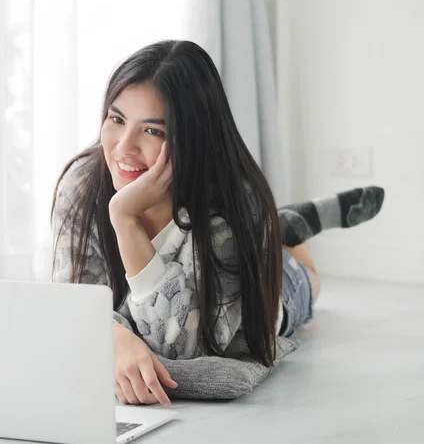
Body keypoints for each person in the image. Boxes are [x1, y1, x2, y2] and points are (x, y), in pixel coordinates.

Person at [51, 40, 384, 408]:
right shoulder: (82, 183)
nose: (122, 148)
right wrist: (113, 336)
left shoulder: (233, 211)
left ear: (191, 138)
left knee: (305, 280)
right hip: (233, 249)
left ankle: (282, 231)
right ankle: (286, 223)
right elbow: (73, 304)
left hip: (262, 294)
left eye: (153, 131)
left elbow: (180, 349)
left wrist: (125, 219)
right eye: (116, 120)